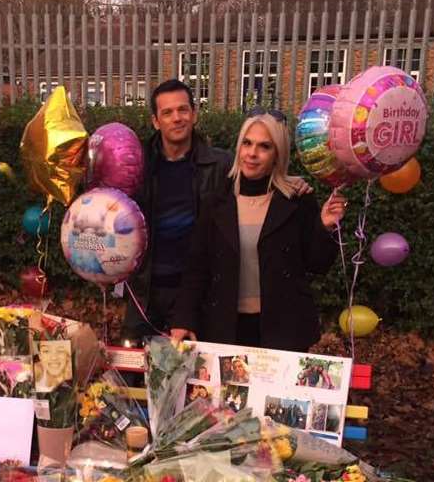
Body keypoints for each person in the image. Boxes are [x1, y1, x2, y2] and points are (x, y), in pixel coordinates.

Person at [122, 80, 312, 343]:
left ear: (194, 114)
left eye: (183, 110)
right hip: (146, 291)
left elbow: (262, 179)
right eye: (167, 112)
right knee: (136, 373)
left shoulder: (223, 166)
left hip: (202, 293)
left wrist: (291, 181)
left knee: (196, 377)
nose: (177, 118)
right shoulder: (137, 166)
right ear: (155, 121)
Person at [170, 108, 347, 352]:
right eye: (247, 143)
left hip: (282, 330)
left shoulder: (296, 199)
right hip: (224, 327)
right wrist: (183, 319)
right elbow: (197, 268)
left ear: (277, 154)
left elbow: (317, 263)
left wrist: (325, 226)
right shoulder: (216, 200)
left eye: (264, 146)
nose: (252, 153)